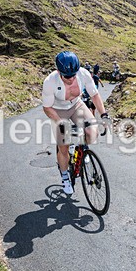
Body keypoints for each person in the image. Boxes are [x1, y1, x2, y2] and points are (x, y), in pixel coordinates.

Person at [42, 51, 108, 196]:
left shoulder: (83, 74)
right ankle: (65, 175)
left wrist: (104, 115)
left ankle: (81, 150)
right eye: (67, 76)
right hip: (57, 110)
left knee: (92, 132)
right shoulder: (50, 82)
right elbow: (47, 108)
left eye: (73, 75)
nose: (71, 79)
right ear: (59, 71)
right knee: (63, 147)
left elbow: (95, 95)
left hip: (76, 106)